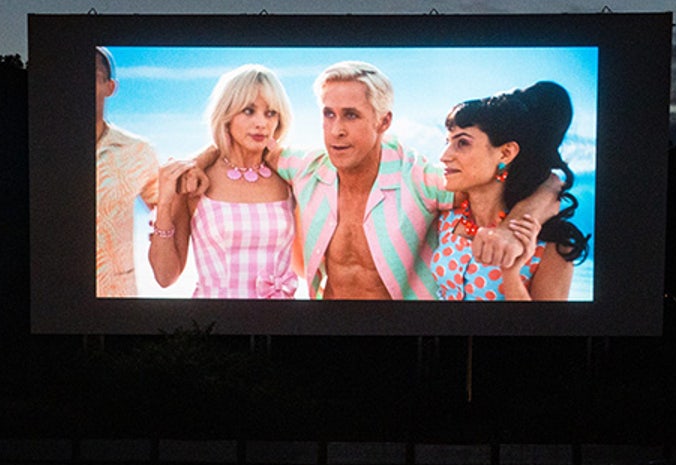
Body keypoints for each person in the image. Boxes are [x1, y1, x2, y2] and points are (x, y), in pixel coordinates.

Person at [177, 61, 559, 300]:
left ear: (384, 121)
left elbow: (551, 183)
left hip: (404, 337)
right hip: (324, 332)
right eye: (328, 115)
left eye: (351, 116)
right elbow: (247, 143)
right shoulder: (306, 167)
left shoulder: (419, 176)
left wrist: (513, 229)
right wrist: (198, 162)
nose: (336, 131)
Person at [148, 64, 300, 299]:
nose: (262, 123)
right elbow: (165, 276)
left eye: (271, 113)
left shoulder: (289, 179)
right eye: (249, 111)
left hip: (280, 324)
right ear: (227, 115)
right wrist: (165, 203)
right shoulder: (196, 181)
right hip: (216, 323)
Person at [431, 82, 589, 301]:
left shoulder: (552, 244)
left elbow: (547, 330)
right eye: (447, 142)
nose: (444, 156)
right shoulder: (447, 218)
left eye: (463, 143)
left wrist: (511, 274)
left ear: (506, 153)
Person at [94, 46, 160, 297]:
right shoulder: (46, 149)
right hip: (55, 295)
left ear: (110, 87)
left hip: (117, 299)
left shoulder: (138, 151)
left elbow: (166, 213)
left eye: (90, 78)